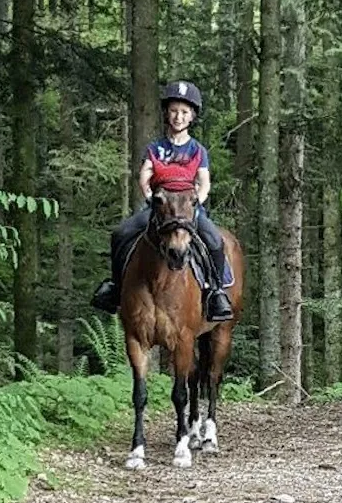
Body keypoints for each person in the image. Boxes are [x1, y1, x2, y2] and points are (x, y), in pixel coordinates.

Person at [90, 81, 234, 322]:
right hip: (160, 209)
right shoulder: (155, 148)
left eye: (184, 112)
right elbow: (145, 173)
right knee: (121, 233)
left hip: (188, 209)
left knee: (214, 240)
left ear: (192, 116)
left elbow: (204, 180)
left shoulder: (197, 150)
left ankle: (216, 292)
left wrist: (198, 199)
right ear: (167, 113)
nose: (179, 117)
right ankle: (115, 286)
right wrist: (149, 195)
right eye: (174, 111)